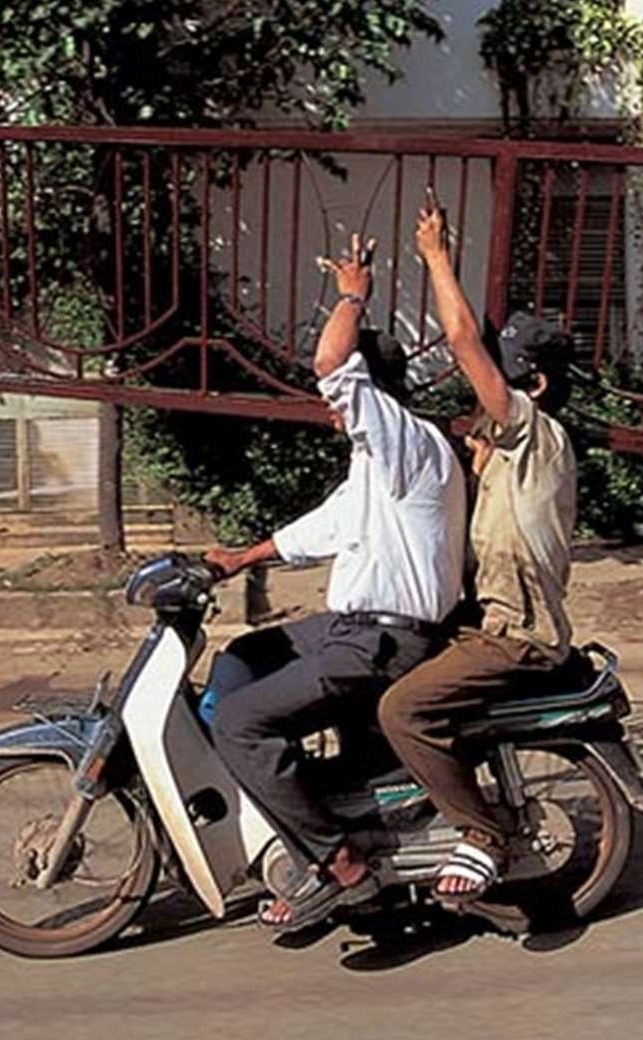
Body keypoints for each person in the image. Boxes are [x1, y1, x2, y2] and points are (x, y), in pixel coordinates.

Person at [203, 232, 467, 932]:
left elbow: (329, 363)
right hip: (352, 630)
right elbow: (323, 527)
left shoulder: (405, 439)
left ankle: (339, 864)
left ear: (371, 392)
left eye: (345, 397)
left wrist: (353, 294)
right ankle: (308, 804)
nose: (331, 405)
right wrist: (239, 557)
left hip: (380, 641)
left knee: (239, 721)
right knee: (243, 658)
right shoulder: (377, 465)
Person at [378, 192, 578, 903]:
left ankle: (482, 830)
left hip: (515, 635)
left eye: (501, 372)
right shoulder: (498, 445)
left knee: (400, 711)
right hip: (482, 619)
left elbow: (463, 344)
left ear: (535, 384)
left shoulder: (537, 433)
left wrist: (435, 257)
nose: (482, 388)